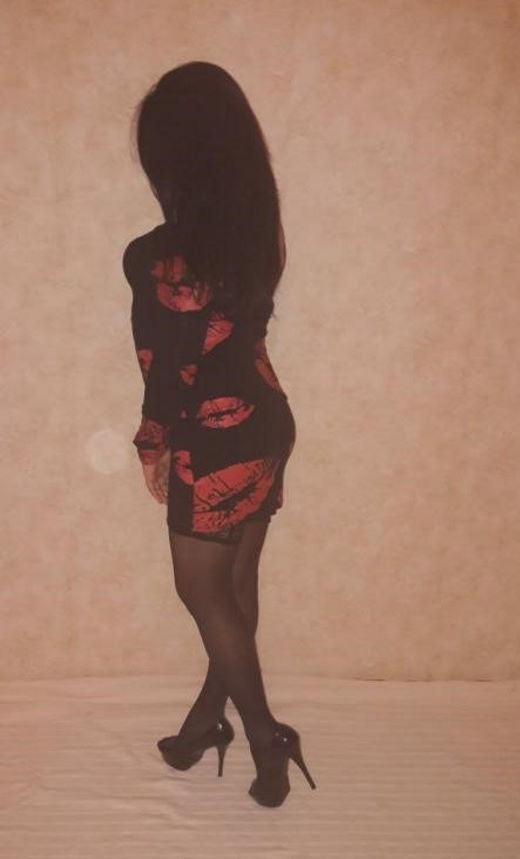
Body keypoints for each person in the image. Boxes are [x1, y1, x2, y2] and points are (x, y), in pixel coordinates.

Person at [122, 61, 316, 808]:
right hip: (266, 422)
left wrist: (154, 444)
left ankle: (266, 737)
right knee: (235, 588)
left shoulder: (156, 255)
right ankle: (206, 722)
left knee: (201, 590)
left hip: (210, 438)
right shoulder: (259, 239)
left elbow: (165, 369)